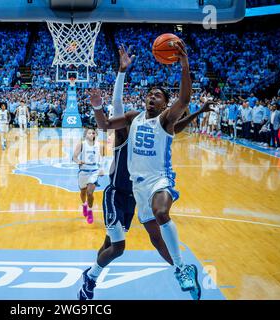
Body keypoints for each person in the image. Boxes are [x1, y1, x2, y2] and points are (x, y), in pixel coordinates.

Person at [85, 40, 201, 300]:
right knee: (155, 238)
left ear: (164, 105)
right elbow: (103, 124)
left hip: (160, 180)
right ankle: (182, 270)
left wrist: (183, 64)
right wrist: (96, 105)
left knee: (162, 212)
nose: (151, 96)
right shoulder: (132, 118)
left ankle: (182, 268)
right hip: (138, 188)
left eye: (157, 95)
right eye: (149, 93)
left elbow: (184, 98)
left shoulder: (166, 119)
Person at [72, 127, 102, 224]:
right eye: (89, 133)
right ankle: (84, 205)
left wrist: (101, 168)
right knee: (83, 192)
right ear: (85, 134)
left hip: (94, 171)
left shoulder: (98, 145)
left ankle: (90, 211)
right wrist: (78, 161)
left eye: (93, 133)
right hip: (83, 171)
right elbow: (74, 157)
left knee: (90, 193)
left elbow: (101, 157)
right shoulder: (82, 144)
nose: (91, 135)